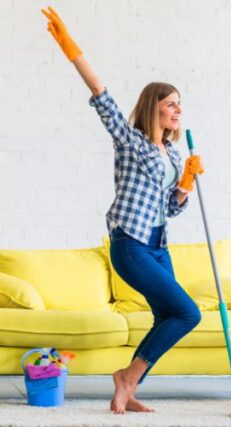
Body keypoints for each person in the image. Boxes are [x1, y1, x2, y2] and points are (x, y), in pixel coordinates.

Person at [42, 6, 207, 415]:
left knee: (166, 315)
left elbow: (169, 208)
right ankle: (127, 377)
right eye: (171, 104)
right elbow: (101, 94)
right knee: (188, 313)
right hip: (131, 244)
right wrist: (71, 47)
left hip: (157, 244)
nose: (178, 110)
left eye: (180, 105)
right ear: (154, 107)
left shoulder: (173, 151)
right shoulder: (130, 140)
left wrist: (185, 184)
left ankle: (126, 388)